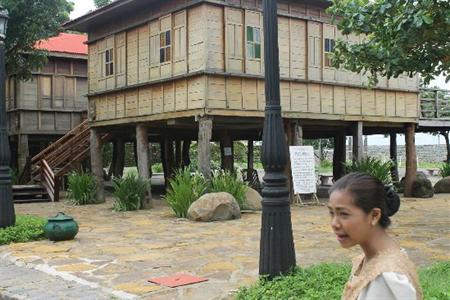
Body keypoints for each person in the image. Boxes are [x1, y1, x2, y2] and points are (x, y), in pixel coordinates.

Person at [327, 172, 422, 300]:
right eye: (332, 213)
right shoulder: (370, 259)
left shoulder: (386, 278)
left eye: (344, 214)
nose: (334, 224)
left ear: (374, 216)